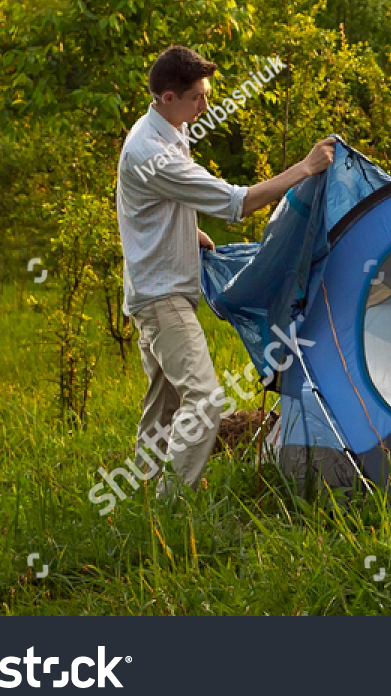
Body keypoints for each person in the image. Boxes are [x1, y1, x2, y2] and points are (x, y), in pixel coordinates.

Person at [116, 44, 337, 496]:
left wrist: (184, 230)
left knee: (164, 411)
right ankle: (172, 506)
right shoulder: (149, 150)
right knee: (204, 401)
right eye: (198, 96)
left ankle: (141, 501)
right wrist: (305, 167)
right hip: (162, 297)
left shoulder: (167, 129)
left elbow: (153, 200)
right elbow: (236, 203)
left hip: (155, 287)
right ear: (167, 97)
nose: (206, 105)